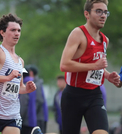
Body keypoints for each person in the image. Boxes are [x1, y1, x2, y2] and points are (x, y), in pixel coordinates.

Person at [60, 0, 121, 134]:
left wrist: (108, 75)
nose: (103, 15)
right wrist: (94, 65)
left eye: (105, 12)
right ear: (87, 14)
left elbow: (98, 67)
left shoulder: (105, 40)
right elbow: (64, 65)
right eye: (98, 11)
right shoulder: (78, 34)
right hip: (73, 96)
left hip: (94, 95)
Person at [0, 13, 40, 134]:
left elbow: (19, 88)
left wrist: (27, 89)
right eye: (13, 30)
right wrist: (7, 77)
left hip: (12, 115)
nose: (17, 33)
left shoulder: (20, 61)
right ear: (2, 32)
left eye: (19, 30)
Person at [20, 65, 48, 134]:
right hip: (36, 117)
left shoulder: (31, 84)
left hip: (34, 118)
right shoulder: (36, 82)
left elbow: (38, 101)